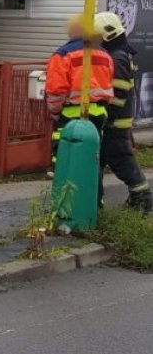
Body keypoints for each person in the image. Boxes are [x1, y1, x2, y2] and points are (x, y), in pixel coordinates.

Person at [94, 12, 153, 212]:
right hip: (114, 123)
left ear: (106, 35)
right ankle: (97, 200)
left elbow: (117, 94)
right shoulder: (119, 54)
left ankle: (142, 199)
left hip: (114, 123)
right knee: (102, 162)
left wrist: (103, 111)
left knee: (122, 163)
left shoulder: (116, 57)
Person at [46, 14, 114, 171]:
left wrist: (55, 112)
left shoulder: (63, 54)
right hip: (99, 113)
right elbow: (109, 85)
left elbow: (55, 90)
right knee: (92, 158)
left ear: (72, 31)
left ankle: (66, 191)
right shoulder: (105, 54)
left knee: (66, 157)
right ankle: (95, 194)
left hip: (71, 115)